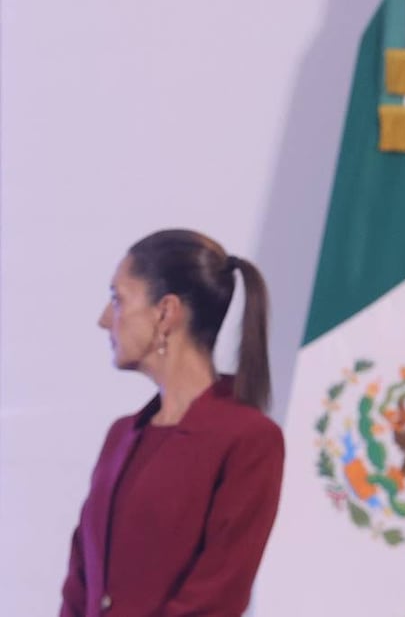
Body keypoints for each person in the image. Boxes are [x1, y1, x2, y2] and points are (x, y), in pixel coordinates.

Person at [60, 229, 285, 616]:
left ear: (165, 312)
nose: (104, 320)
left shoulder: (248, 439)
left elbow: (218, 594)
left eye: (118, 299)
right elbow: (80, 581)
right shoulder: (122, 435)